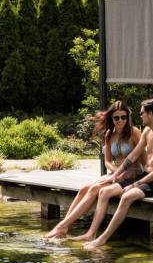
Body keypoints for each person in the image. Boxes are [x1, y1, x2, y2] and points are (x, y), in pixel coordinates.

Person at [81, 98, 153, 250]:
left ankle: (102, 239)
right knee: (105, 191)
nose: (140, 116)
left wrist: (134, 184)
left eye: (142, 113)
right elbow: (132, 156)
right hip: (145, 177)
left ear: (150, 114)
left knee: (126, 196)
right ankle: (91, 233)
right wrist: (116, 175)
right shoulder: (148, 131)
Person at [44, 100, 142, 239]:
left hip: (132, 174)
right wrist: (115, 172)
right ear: (111, 118)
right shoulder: (109, 134)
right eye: (116, 117)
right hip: (116, 173)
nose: (120, 121)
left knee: (95, 189)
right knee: (84, 188)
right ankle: (65, 225)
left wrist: (126, 174)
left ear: (128, 117)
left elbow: (141, 157)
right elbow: (107, 161)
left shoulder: (134, 133)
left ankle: (63, 227)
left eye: (123, 117)